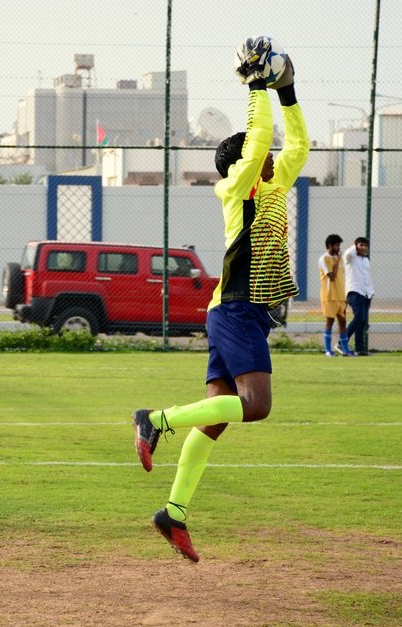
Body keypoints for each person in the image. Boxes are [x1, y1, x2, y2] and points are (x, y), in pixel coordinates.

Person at [132, 37, 308, 563]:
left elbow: (296, 147)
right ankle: (154, 419)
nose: (274, 158)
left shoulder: (272, 188)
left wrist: (289, 91)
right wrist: (257, 86)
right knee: (257, 407)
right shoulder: (236, 187)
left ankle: (174, 513)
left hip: (237, 311)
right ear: (240, 167)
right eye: (262, 156)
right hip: (236, 309)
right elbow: (256, 145)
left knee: (215, 418)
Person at [318, 234, 353, 356]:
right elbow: (332, 277)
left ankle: (345, 350)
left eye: (339, 245)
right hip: (329, 296)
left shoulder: (340, 259)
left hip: (340, 296)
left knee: (343, 322)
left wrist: (345, 295)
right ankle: (328, 350)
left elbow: (342, 277)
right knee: (330, 321)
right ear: (330, 246)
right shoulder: (324, 259)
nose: (339, 248)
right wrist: (337, 261)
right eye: (337, 245)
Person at [343, 237, 374, 356]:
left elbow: (367, 277)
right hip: (354, 291)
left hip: (366, 293)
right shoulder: (351, 257)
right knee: (359, 318)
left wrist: (370, 292)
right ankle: (342, 342)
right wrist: (354, 246)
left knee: (362, 321)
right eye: (361, 245)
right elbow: (347, 254)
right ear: (355, 246)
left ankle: (359, 348)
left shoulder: (366, 260)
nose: (364, 247)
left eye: (366, 245)